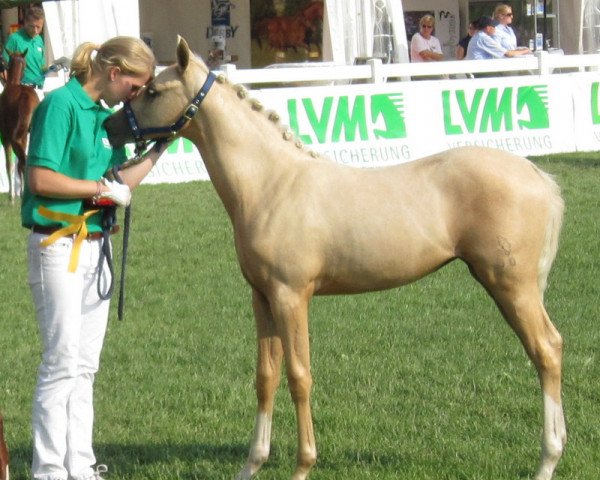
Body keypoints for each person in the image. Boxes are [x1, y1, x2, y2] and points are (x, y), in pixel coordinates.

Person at [22, 36, 170, 480]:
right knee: (61, 361)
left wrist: (161, 146)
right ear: (115, 73)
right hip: (57, 244)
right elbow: (40, 178)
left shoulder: (105, 120)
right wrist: (101, 191)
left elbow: (117, 179)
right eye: (136, 86)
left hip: (94, 245)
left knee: (85, 367)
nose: (137, 96)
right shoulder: (60, 106)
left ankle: (81, 467)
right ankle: (48, 470)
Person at [2, 6, 47, 90]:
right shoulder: (14, 39)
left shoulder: (39, 39)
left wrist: (52, 68)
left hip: (39, 88)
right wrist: (11, 88)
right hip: (21, 90)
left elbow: (42, 65)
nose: (35, 31)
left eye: (38, 27)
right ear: (25, 22)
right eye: (32, 26)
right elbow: (2, 67)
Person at [466, 16, 531, 60]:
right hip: (481, 73)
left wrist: (519, 50)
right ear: (487, 28)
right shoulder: (483, 39)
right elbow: (508, 54)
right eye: (493, 26)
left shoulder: (478, 36)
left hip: (479, 70)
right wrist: (526, 51)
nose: (495, 28)